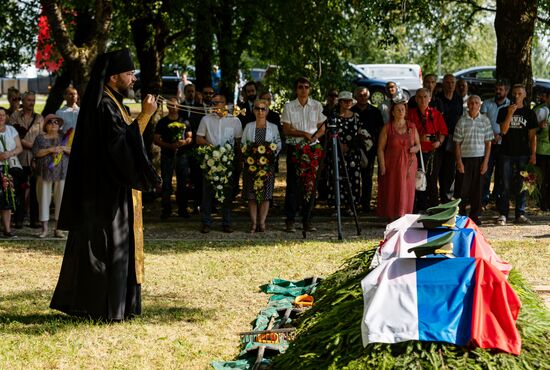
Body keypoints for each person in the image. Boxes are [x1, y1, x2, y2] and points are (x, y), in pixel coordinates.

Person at [50, 48, 159, 321]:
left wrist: (141, 118)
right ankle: (102, 308)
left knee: (120, 247)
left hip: (116, 190)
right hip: (103, 195)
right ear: (113, 78)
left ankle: (122, 304)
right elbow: (118, 147)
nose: (133, 79)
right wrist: (145, 116)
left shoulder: (115, 103)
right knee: (105, 249)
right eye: (128, 73)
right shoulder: (104, 106)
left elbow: (124, 141)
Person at [281, 77, 326, 233]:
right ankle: (290, 220)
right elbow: (286, 129)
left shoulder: (317, 105)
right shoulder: (289, 106)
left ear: (310, 89)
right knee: (293, 185)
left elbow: (322, 127)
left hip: (313, 148)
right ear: (296, 89)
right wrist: (304, 134)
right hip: (295, 148)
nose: (304, 89)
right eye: (300, 87)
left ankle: (308, 220)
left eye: (306, 87)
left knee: (311, 186)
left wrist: (312, 138)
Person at [196, 94, 242, 233]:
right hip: (211, 161)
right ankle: (206, 223)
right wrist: (211, 147)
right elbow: (199, 139)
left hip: (228, 162)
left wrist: (238, 161)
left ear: (225, 104)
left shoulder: (234, 120)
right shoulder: (206, 119)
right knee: (207, 193)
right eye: (214, 102)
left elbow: (238, 142)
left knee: (227, 193)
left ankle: (226, 223)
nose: (216, 105)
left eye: (220, 102)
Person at [496, 84, 538, 225]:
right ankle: (503, 214)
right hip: (506, 153)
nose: (517, 96)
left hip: (523, 154)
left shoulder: (530, 113)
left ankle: (520, 214)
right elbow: (503, 131)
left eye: (520, 93)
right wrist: (510, 113)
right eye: (514, 93)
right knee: (505, 185)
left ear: (525, 95)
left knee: (522, 185)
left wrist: (533, 154)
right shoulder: (503, 111)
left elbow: (532, 136)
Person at [242, 99, 281, 232]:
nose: (260, 111)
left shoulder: (273, 127)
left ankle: (262, 223)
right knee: (251, 195)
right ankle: (253, 223)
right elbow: (243, 144)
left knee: (265, 195)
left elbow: (278, 144)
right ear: (253, 110)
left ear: (267, 111)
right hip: (251, 165)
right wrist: (249, 154)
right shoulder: (248, 126)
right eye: (257, 108)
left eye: (263, 109)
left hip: (267, 166)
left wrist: (271, 154)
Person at [377, 100, 420, 220]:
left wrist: (414, 148)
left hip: (409, 164)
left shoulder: (411, 126)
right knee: (392, 188)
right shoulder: (387, 128)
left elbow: (418, 145)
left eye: (403, 109)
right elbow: (380, 149)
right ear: (393, 112)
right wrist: (382, 165)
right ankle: (391, 216)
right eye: (398, 110)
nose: (401, 112)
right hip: (392, 163)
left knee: (407, 189)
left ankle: (404, 215)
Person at [453, 95, 493, 225]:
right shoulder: (462, 121)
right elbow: (457, 143)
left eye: (476, 103)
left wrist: (486, 162)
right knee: (462, 189)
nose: (474, 105)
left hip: (480, 159)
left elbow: (488, 143)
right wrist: (459, 162)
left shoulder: (485, 120)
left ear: (480, 105)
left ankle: (475, 216)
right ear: (468, 105)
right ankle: (461, 216)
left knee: (478, 189)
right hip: (465, 159)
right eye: (471, 103)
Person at [408, 88, 448, 211]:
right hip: (416, 152)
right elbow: (406, 133)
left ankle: (434, 209)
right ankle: (417, 208)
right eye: (419, 97)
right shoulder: (410, 114)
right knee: (417, 179)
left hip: (433, 152)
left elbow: (443, 132)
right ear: (415, 99)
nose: (422, 99)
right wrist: (419, 138)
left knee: (431, 180)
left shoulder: (436, 114)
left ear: (430, 99)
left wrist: (439, 142)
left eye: (425, 97)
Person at [32, 114, 71, 238]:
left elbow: (74, 150)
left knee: (61, 200)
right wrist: (51, 150)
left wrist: (63, 148)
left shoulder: (64, 137)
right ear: (46, 125)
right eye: (50, 122)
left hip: (62, 172)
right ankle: (44, 229)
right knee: (43, 199)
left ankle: (58, 229)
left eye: (56, 122)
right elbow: (36, 153)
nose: (54, 124)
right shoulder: (40, 138)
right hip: (44, 173)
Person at [154, 98, 193, 219]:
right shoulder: (162, 122)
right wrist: (169, 146)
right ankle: (166, 210)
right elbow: (156, 139)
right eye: (170, 105)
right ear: (167, 106)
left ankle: (182, 209)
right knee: (166, 183)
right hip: (167, 156)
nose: (172, 107)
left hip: (182, 156)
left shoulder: (184, 121)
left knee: (182, 184)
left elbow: (190, 137)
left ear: (178, 107)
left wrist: (184, 142)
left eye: (174, 105)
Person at [9, 90, 43, 229]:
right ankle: (18, 219)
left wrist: (35, 151)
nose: (32, 103)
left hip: (35, 159)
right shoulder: (15, 116)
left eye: (33, 100)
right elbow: (13, 136)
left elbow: (41, 139)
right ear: (22, 101)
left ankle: (34, 220)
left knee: (35, 190)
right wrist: (30, 145)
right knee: (19, 189)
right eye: (29, 100)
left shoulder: (39, 118)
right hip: (19, 158)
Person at [326, 91, 363, 214]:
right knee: (337, 177)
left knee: (352, 178)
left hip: (352, 153)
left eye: (350, 101)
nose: (348, 103)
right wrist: (339, 145)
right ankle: (337, 206)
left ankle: (350, 206)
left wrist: (349, 146)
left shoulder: (356, 116)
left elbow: (360, 134)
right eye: (345, 101)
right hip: (337, 151)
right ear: (340, 102)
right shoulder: (333, 117)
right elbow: (329, 133)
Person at [351, 87, 383, 212]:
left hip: (370, 149)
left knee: (367, 178)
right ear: (356, 97)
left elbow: (380, 130)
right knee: (354, 177)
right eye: (360, 95)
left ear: (368, 96)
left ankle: (366, 205)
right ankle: (354, 204)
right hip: (354, 148)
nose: (362, 97)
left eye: (365, 95)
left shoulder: (375, 112)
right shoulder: (351, 111)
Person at [480, 79, 510, 207]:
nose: (498, 91)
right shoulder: (486, 103)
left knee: (501, 173)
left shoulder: (511, 105)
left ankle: (496, 198)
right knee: (486, 172)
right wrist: (492, 135)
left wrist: (501, 135)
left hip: (504, 144)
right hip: (488, 143)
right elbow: (483, 121)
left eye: (501, 89)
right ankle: (484, 199)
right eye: (496, 89)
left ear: (507, 91)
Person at [437, 74, 464, 203]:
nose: (450, 85)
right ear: (443, 84)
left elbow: (460, 118)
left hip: (453, 139)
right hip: (439, 138)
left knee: (449, 170)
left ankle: (446, 200)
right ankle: (433, 200)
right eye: (447, 82)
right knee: (437, 170)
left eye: (452, 83)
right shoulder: (438, 98)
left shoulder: (458, 99)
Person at [0, 107, 23, 237]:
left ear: (6, 117)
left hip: (11, 166)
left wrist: (10, 153)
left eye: (3, 115)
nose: (1, 117)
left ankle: (7, 229)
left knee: (8, 196)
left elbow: (19, 147)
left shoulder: (11, 130)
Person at [534, 89, 550, 211]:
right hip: (542, 151)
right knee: (542, 178)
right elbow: (532, 131)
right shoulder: (542, 110)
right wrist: (539, 127)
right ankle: (542, 203)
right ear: (547, 98)